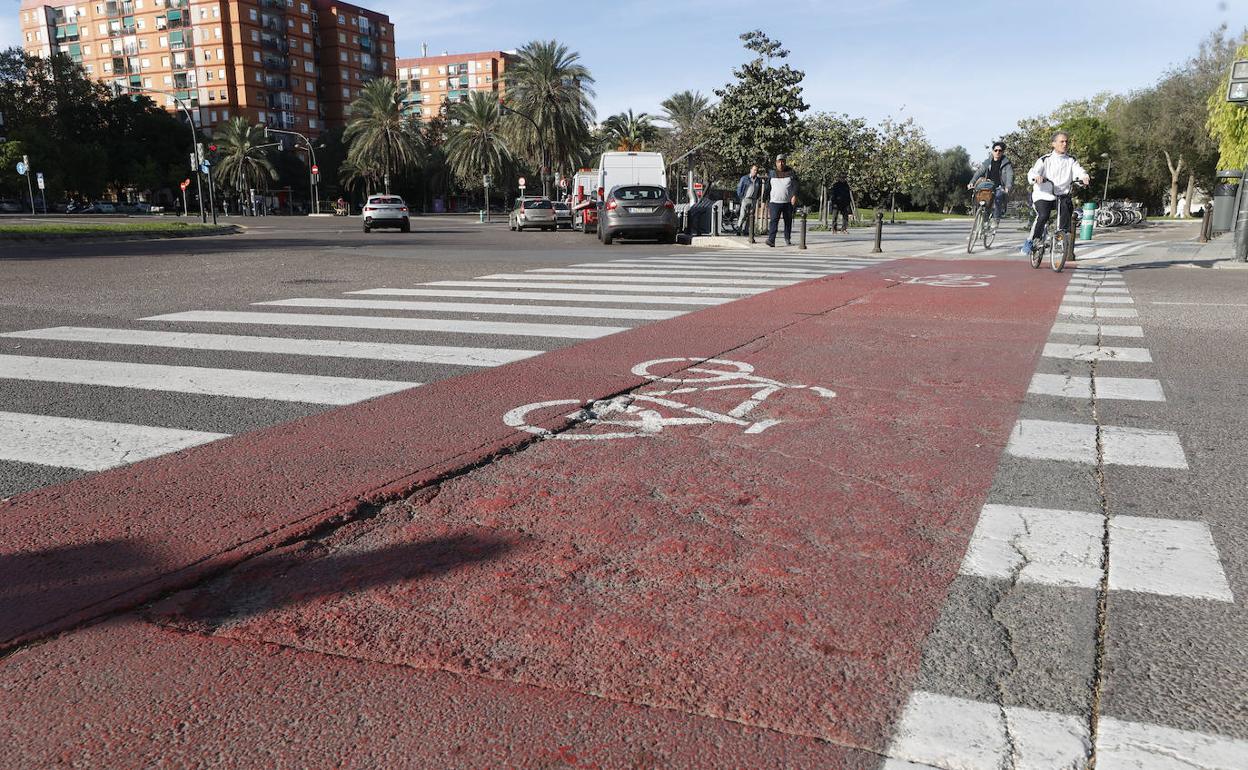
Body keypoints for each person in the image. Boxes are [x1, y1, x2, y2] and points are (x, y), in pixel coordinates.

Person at [1022, 132, 1090, 257]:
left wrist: (1084, 177)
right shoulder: (1045, 159)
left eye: (1066, 142)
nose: (1065, 144)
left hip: (1061, 195)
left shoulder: (1071, 160)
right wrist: (1036, 177)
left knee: (1066, 207)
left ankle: (1061, 236)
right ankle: (1031, 240)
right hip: (1043, 194)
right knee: (1043, 215)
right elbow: (1032, 172)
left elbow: (1079, 171)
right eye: (1061, 141)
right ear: (1053, 144)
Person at [968, 141, 1013, 222]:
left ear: (1002, 152)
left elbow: (1010, 175)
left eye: (1000, 151)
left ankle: (995, 220)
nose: (997, 152)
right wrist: (972, 182)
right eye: (995, 150)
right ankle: (981, 216)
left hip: (999, 187)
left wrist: (1007, 187)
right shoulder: (987, 162)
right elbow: (979, 172)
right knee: (979, 197)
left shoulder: (1006, 163)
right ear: (992, 151)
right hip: (987, 185)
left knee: (998, 198)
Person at [765, 153, 799, 247]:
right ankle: (771, 240)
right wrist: (764, 200)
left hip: (787, 202)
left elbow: (796, 185)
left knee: (788, 222)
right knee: (773, 221)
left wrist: (794, 195)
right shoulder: (771, 173)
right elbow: (767, 188)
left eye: (783, 161)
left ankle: (787, 238)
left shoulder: (791, 173)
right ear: (776, 163)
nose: (781, 163)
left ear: (785, 162)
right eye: (779, 162)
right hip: (774, 202)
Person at [735, 164, 762, 235]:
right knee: (743, 215)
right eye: (754, 170)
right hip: (745, 199)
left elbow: (759, 190)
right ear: (751, 170)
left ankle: (746, 231)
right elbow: (739, 188)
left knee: (750, 216)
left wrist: (757, 198)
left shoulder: (758, 180)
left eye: (757, 170)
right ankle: (739, 228)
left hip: (753, 200)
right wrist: (741, 197)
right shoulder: (745, 178)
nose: (755, 171)